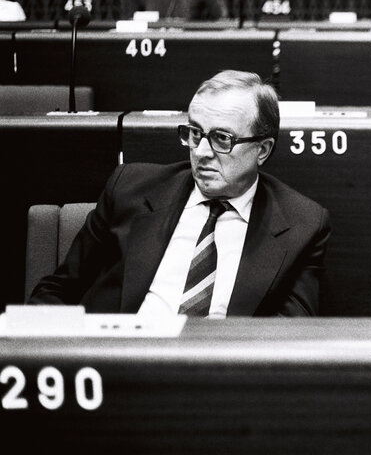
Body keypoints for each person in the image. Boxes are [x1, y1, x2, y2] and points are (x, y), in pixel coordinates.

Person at [28, 70, 330, 317]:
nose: (201, 151)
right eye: (194, 132)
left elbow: (291, 336)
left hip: (218, 379)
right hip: (116, 367)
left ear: (262, 150)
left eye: (221, 138)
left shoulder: (302, 225)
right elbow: (55, 291)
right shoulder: (130, 188)